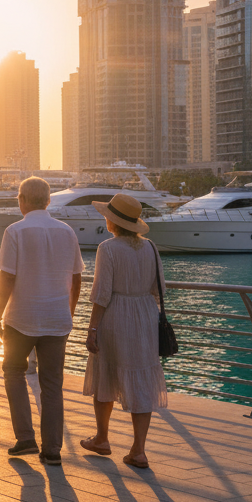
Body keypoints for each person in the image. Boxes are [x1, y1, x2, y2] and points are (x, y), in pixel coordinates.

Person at [0, 177, 84, 467]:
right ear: (48, 200)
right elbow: (77, 277)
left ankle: (25, 438)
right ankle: (53, 449)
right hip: (57, 319)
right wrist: (68, 310)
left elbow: (7, 277)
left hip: (21, 319)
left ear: (22, 200)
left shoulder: (15, 231)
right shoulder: (66, 231)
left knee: (13, 373)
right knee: (52, 384)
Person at [81, 194, 168, 469]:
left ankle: (102, 438)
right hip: (144, 315)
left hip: (115, 315)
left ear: (113, 221)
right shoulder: (150, 247)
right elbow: (160, 290)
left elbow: (102, 294)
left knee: (105, 374)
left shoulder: (107, 248)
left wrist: (92, 329)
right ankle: (138, 450)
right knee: (141, 378)